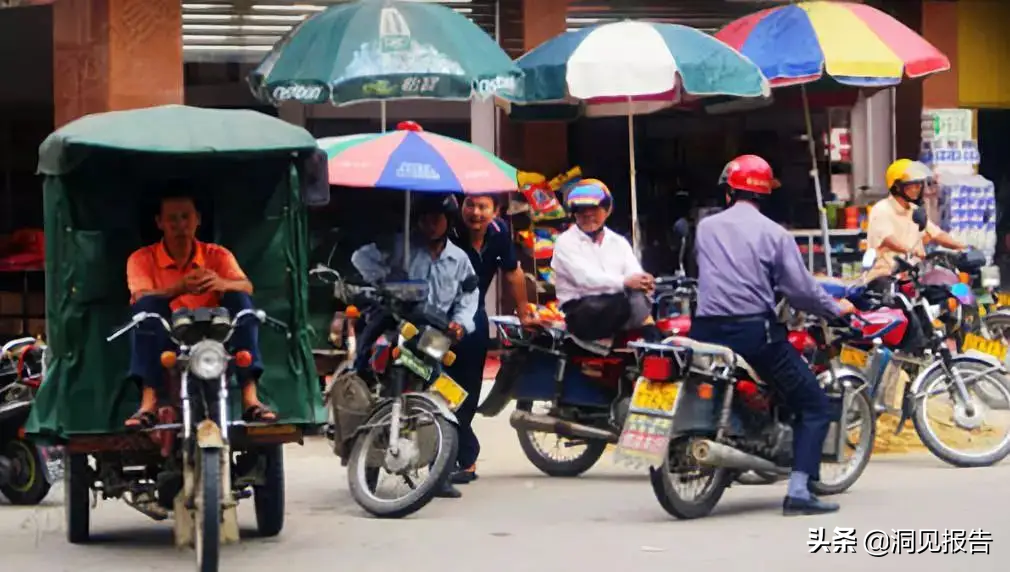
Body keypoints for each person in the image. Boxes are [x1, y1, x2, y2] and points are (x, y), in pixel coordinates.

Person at [690, 155, 855, 516]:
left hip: (703, 331)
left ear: (730, 191)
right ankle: (798, 491)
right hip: (752, 334)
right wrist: (834, 309)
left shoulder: (705, 227)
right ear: (763, 194)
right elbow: (801, 291)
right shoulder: (776, 234)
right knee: (814, 403)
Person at [350, 193, 480, 499]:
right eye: (425, 218)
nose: (431, 224)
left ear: (448, 222)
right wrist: (384, 279)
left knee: (441, 396)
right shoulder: (400, 246)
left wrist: (462, 324)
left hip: (433, 333)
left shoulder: (460, 259)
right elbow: (360, 258)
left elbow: (468, 297)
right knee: (372, 387)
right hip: (395, 324)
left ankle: (441, 473)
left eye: (437, 218)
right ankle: (367, 469)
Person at [125, 194, 275, 429]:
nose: (180, 225)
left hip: (216, 334)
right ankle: (148, 402)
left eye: (186, 217)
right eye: (172, 219)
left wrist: (221, 284)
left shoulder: (218, 255)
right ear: (159, 223)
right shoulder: (141, 258)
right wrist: (179, 288)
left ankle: (250, 398)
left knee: (243, 304)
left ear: (198, 220)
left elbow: (246, 286)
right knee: (145, 310)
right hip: (168, 336)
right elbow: (140, 296)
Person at [447, 194, 537, 486]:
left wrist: (524, 313)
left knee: (469, 389)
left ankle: (464, 458)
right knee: (438, 384)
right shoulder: (447, 228)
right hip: (436, 313)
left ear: (496, 211)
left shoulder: (499, 234)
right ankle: (453, 452)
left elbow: (513, 272)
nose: (475, 212)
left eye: (483, 206)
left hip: (473, 314)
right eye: (470, 205)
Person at [551, 179, 663, 343]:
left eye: (594, 210)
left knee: (640, 299)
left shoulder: (618, 242)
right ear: (574, 214)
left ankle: (651, 343)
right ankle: (647, 334)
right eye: (582, 212)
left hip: (619, 307)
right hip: (582, 310)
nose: (588, 216)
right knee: (623, 302)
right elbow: (585, 279)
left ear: (607, 211)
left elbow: (633, 271)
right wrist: (626, 282)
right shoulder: (565, 242)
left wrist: (643, 281)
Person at [866, 159, 965, 280]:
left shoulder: (915, 210)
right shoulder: (882, 209)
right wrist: (910, 251)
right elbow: (888, 239)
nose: (918, 189)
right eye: (913, 185)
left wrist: (961, 247)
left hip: (914, 275)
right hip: (886, 276)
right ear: (897, 187)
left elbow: (937, 234)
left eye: (919, 185)